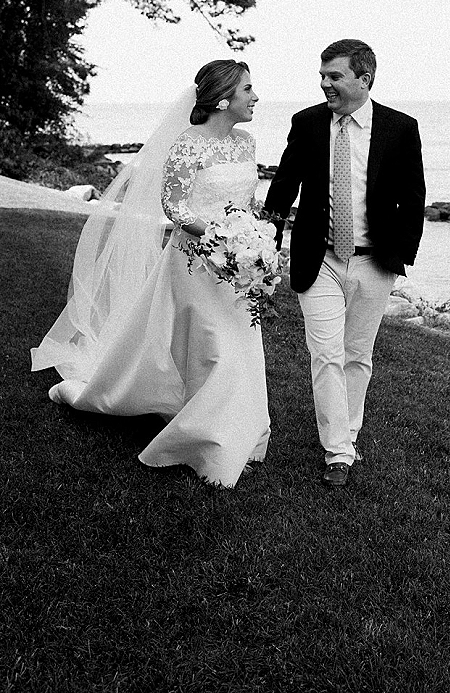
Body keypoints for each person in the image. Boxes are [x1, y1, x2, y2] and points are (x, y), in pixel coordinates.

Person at [31, 60, 270, 488]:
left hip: (237, 266)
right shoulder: (187, 144)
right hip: (194, 263)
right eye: (248, 89)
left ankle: (230, 427)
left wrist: (252, 241)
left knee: (238, 345)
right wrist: (218, 238)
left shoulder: (246, 145)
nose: (255, 97)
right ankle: (206, 440)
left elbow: (247, 206)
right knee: (215, 347)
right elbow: (174, 207)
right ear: (222, 99)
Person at [264, 39, 425, 487]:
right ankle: (337, 451)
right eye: (323, 76)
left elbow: (414, 198)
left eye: (334, 76)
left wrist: (400, 256)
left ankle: (347, 433)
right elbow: (284, 185)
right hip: (321, 260)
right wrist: (266, 240)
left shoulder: (400, 127)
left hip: (375, 261)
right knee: (326, 352)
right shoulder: (308, 123)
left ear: (363, 79)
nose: (324, 84)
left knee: (358, 354)